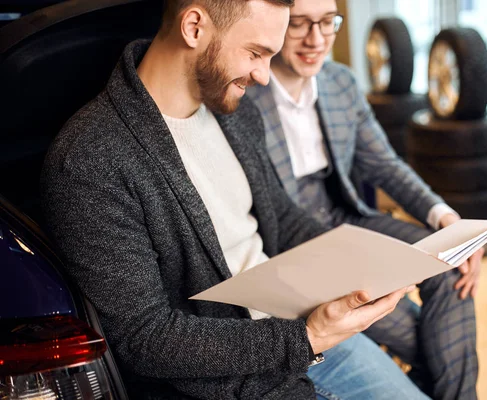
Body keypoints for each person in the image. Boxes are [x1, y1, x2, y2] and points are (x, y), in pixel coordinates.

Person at [41, 0, 430, 399]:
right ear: (194, 27)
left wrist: (366, 258)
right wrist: (306, 337)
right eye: (255, 53)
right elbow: (146, 339)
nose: (263, 75)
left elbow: (281, 218)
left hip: (306, 335)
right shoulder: (91, 158)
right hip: (239, 379)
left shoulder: (236, 114)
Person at [246, 0, 483, 399]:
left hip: (345, 216)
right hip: (297, 246)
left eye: (327, 23)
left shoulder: (341, 82)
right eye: (300, 24)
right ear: (276, 23)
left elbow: (385, 165)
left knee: (451, 265)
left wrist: (443, 215)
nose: (316, 39)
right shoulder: (245, 94)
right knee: (431, 342)